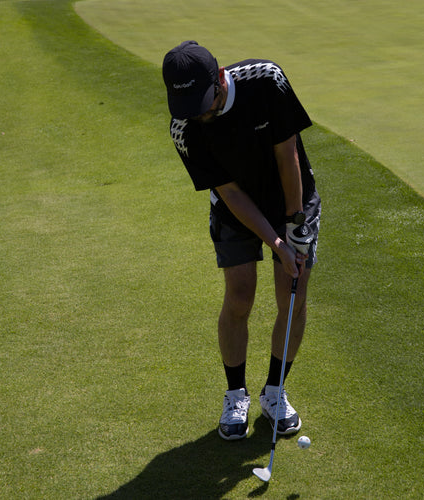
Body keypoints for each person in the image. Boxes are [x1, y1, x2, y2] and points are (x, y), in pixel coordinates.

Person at [162, 41, 321, 441]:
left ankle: (274, 392)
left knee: (293, 296)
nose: (199, 114)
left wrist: (294, 227)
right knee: (239, 296)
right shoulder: (184, 128)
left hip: (292, 198)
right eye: (188, 106)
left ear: (219, 79)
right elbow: (230, 194)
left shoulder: (266, 81)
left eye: (203, 102)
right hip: (237, 208)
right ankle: (236, 394)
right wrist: (276, 244)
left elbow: (289, 156)